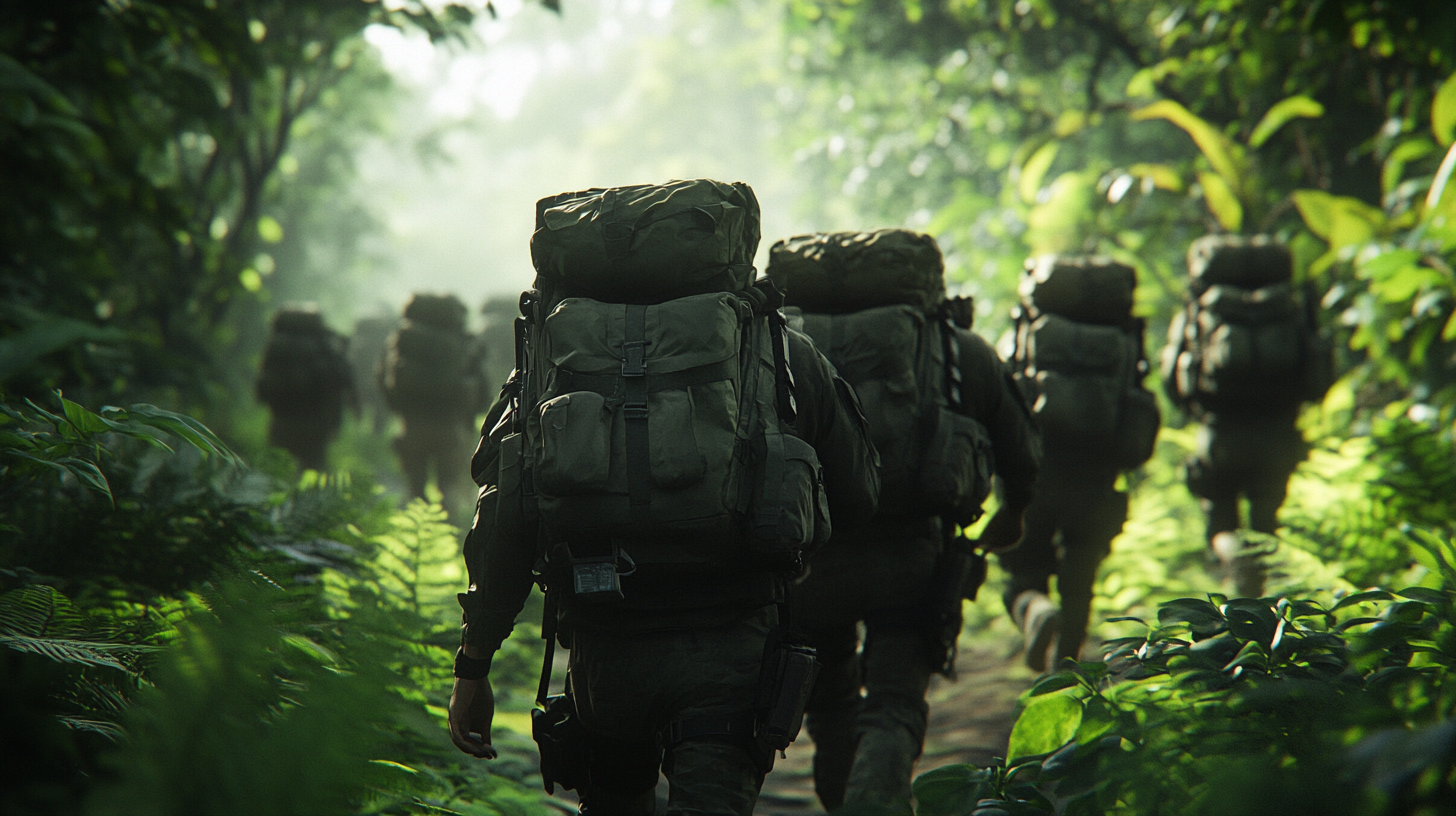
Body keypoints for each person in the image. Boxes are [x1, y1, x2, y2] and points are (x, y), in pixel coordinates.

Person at [445, 180, 880, 815]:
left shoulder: (550, 361)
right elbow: (860, 494)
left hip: (604, 653)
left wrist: (474, 665)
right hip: (730, 650)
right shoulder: (778, 349)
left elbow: (505, 517)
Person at [766, 229, 1042, 813]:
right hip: (911, 557)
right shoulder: (955, 349)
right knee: (893, 700)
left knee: (830, 701)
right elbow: (1021, 446)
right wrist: (1013, 511)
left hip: (808, 558)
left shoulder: (773, 345)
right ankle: (877, 796)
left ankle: (846, 802)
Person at [999, 256, 1161, 671]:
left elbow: (1001, 404)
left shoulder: (1027, 336)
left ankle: (1035, 609)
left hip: (1037, 476)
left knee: (1023, 571)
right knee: (1080, 579)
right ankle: (1066, 670)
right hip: (1097, 477)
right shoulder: (1122, 340)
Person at [1161, 235, 1335, 596]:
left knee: (1220, 518)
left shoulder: (1203, 309)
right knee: (1265, 526)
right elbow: (1318, 372)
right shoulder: (1289, 307)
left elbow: (1172, 377)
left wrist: (1192, 408)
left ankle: (1232, 561)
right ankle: (1258, 619)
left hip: (1221, 432)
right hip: (1278, 432)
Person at [379, 293, 486, 520]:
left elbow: (385, 379)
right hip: (451, 425)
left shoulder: (405, 338)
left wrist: (400, 410)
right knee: (448, 486)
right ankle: (448, 536)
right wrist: (470, 416)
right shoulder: (463, 341)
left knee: (415, 486)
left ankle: (415, 532)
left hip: (413, 425)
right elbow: (481, 386)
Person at [254, 304, 355, 472]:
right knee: (313, 471)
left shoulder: (278, 346)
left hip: (282, 419)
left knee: (276, 471)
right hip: (314, 422)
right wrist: (334, 423)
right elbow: (336, 384)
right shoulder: (325, 346)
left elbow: (263, 382)